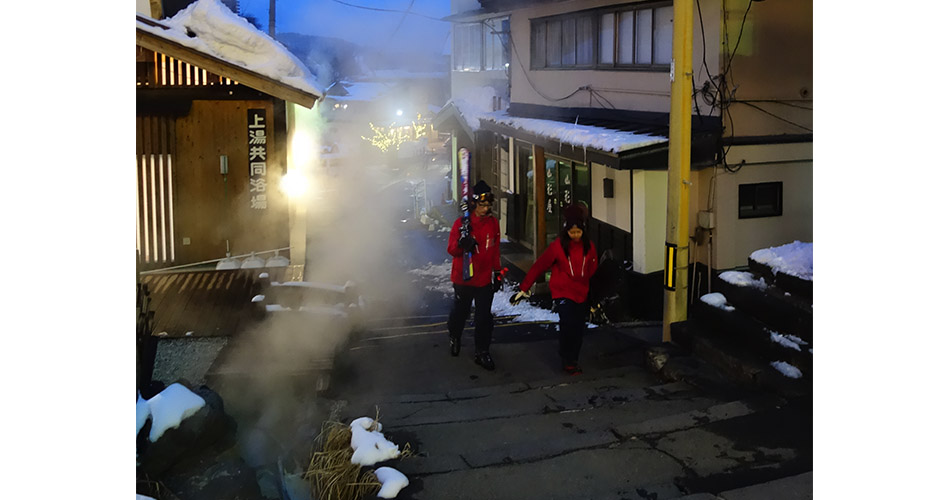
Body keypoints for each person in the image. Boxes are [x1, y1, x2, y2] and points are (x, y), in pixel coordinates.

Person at [510, 204, 598, 375]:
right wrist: (524, 288)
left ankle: (572, 358)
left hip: (581, 292)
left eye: (578, 232)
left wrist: (593, 295)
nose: (575, 236)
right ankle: (568, 360)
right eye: (572, 233)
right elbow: (539, 266)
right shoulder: (558, 247)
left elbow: (592, 270)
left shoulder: (590, 247)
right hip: (563, 291)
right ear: (566, 231)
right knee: (567, 325)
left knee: (578, 328)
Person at [446, 180, 502, 370]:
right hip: (464, 277)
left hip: (484, 278)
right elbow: (451, 250)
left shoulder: (493, 224)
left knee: (483, 317)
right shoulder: (462, 224)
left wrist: (498, 272)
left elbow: (495, 250)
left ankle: (482, 351)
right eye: (481, 205)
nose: (485, 209)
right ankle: (455, 335)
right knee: (461, 312)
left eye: (487, 206)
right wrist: (463, 244)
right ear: (473, 204)